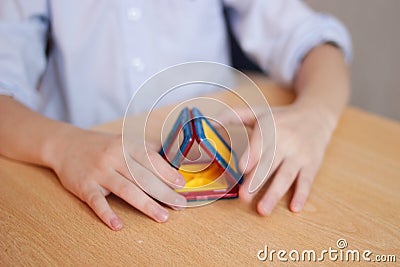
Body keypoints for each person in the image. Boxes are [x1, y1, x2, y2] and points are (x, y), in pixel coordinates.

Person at [0, 0, 352, 230]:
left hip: (220, 170)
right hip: (88, 174)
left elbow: (313, 40)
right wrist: (63, 146)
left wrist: (316, 115)